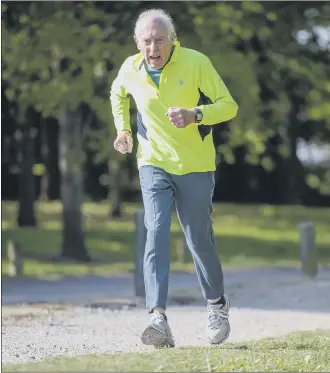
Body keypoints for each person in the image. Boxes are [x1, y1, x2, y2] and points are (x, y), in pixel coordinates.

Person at [110, 8, 238, 349]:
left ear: (172, 40)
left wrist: (196, 114)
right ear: (137, 42)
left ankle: (216, 305)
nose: (153, 47)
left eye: (160, 40)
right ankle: (158, 318)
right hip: (153, 162)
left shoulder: (196, 62)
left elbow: (229, 106)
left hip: (195, 163)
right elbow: (118, 93)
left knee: (198, 237)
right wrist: (123, 129)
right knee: (156, 229)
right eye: (147, 41)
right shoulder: (130, 68)